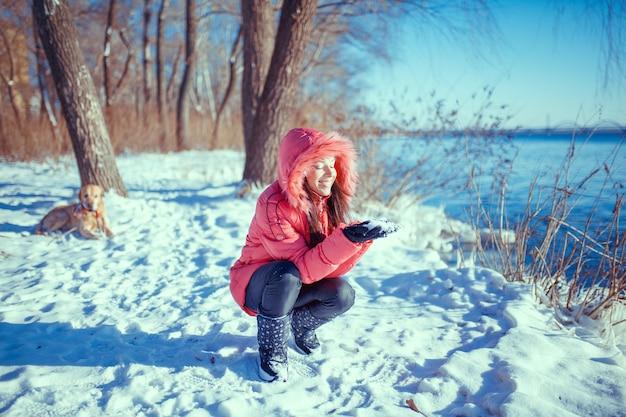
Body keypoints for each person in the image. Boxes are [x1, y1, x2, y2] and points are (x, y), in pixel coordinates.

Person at [229, 127, 397, 382]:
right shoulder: (273, 204)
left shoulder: (325, 201)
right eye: (319, 164)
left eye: (332, 164)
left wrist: (357, 240)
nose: (330, 172)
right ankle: (272, 351)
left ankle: (301, 326)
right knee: (286, 275)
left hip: (296, 282)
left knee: (342, 293)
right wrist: (346, 240)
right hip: (258, 285)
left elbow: (329, 268)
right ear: (298, 168)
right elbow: (301, 268)